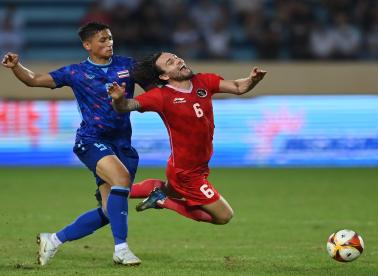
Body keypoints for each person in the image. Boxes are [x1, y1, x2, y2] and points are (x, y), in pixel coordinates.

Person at [1, 22, 141, 266]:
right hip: (91, 140)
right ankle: (121, 249)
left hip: (122, 144)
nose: (109, 43)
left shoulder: (128, 65)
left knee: (111, 211)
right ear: (87, 45)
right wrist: (16, 67)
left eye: (110, 39)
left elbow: (157, 87)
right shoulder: (75, 72)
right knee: (121, 179)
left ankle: (53, 240)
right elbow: (34, 80)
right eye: (102, 40)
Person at [108, 52, 266, 224]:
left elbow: (237, 87)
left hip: (195, 165)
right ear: (164, 75)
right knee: (223, 216)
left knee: (170, 189)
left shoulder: (203, 81)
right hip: (186, 173)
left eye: (176, 57)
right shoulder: (160, 97)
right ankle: (161, 200)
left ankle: (116, 191)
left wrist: (252, 80)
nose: (178, 61)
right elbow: (126, 106)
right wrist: (118, 99)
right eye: (170, 62)